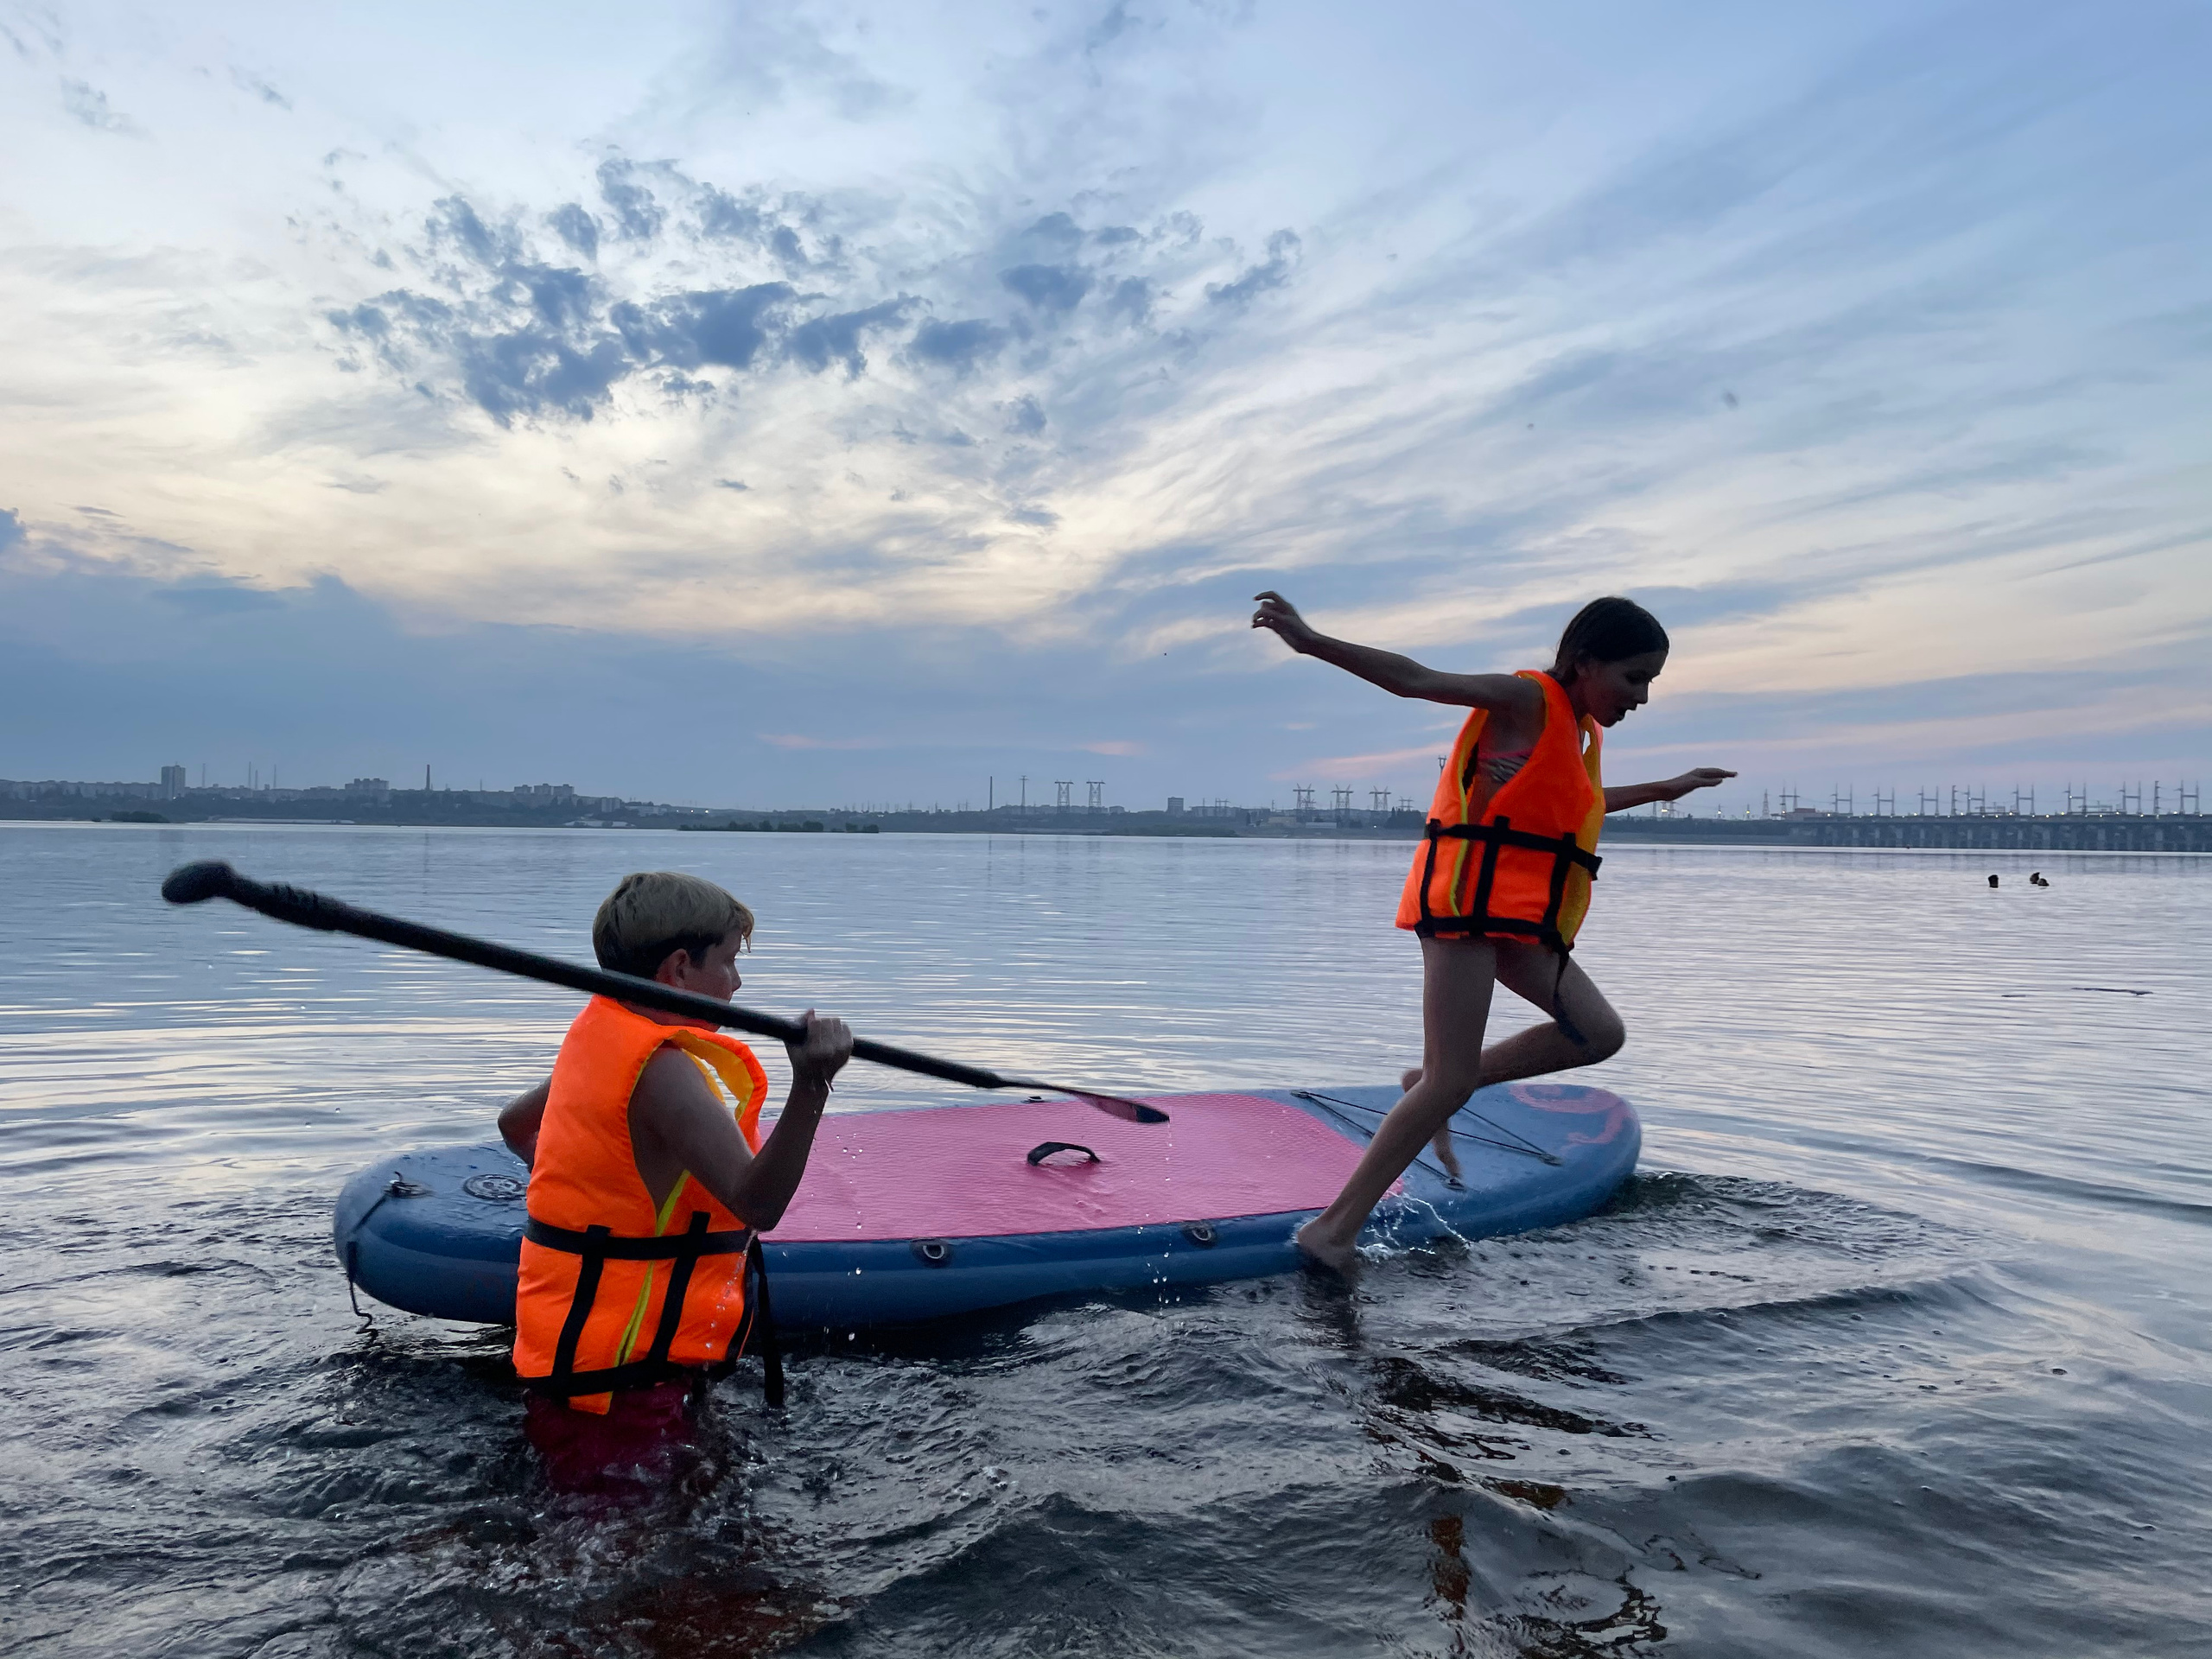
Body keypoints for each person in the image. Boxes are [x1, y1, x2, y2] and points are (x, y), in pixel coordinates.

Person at [1250, 591, 1733, 1273]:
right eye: (1635, 678)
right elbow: (1417, 680)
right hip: (1464, 910)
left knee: (1597, 1034)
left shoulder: (1575, 731)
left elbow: (1578, 804)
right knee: (1450, 1080)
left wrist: (1664, 789)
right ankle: (1331, 1231)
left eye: (1650, 681)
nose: (1643, 697)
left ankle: (1435, 1081)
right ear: (1585, 662)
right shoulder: (1526, 699)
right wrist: (1310, 640)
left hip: (1515, 917)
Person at [495, 870, 851, 1489]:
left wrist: (609, 1187)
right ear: (680, 969)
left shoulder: (603, 1036)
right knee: (653, 1573)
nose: (738, 983)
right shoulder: (664, 1073)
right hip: (624, 1399)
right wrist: (813, 1083)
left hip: (577, 1381)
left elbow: (515, 1125)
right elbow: (757, 1202)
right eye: (729, 963)